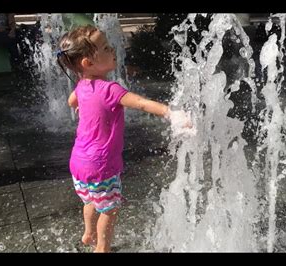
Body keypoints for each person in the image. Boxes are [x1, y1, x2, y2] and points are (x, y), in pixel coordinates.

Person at [56, 25, 191, 253]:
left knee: (90, 201)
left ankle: (88, 233)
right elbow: (140, 103)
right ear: (88, 63)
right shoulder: (110, 90)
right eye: (106, 48)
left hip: (78, 163)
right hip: (102, 166)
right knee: (109, 209)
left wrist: (83, 106)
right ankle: (102, 248)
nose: (113, 50)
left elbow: (71, 101)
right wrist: (171, 113)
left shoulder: (81, 85)